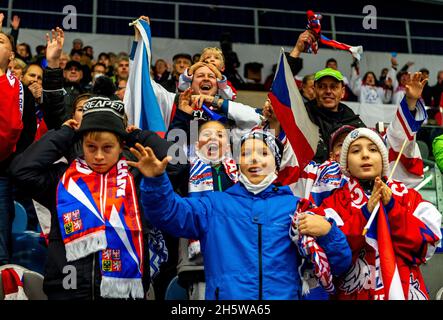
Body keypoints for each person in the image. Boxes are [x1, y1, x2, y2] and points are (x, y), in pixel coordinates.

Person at [130, 129, 352, 300]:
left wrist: (328, 232)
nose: (254, 159)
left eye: (263, 153)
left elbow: (340, 264)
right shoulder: (214, 204)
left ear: (276, 164)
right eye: (246, 153)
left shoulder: (298, 208)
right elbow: (168, 214)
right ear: (238, 164)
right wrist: (156, 181)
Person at [9, 95, 180, 299]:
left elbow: (180, 163)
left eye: (107, 148)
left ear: (120, 146)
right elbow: (21, 171)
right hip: (67, 286)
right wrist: (67, 133)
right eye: (91, 147)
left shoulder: (137, 178)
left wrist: (137, 135)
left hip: (123, 292)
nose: (99, 156)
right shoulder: (62, 178)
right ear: (82, 144)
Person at [305, 127, 441, 300]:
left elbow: (426, 246)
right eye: (355, 150)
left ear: (383, 160)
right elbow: (332, 260)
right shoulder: (333, 204)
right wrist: (365, 213)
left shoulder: (408, 197)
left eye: (373, 149)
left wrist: (393, 208)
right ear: (345, 163)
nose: (365, 155)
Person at [0, 29, 37, 265]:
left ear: (11, 56)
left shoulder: (21, 90)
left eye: (0, 40)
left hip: (1, 174)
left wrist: (9, 163)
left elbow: (27, 132)